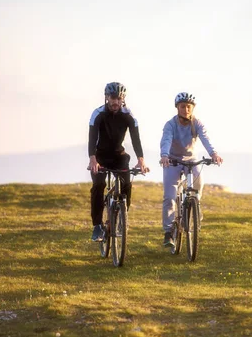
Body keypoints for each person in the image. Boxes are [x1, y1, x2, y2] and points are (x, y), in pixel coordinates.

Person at [160, 92, 223, 247]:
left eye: (189, 107)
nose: (186, 110)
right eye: (183, 106)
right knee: (169, 197)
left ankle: (195, 206)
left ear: (192, 109)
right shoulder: (170, 124)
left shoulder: (197, 124)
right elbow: (166, 140)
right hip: (173, 160)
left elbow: (205, 139)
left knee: (198, 185)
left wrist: (213, 154)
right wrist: (164, 155)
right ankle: (168, 232)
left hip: (192, 160)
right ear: (177, 108)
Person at [88, 82, 149, 241]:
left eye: (119, 98)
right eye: (113, 98)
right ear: (107, 98)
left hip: (119, 156)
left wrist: (140, 160)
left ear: (123, 99)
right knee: (98, 186)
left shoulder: (129, 115)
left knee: (127, 183)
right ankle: (97, 226)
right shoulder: (98, 114)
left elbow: (136, 139)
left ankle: (122, 217)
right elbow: (92, 138)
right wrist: (93, 159)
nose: (115, 101)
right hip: (100, 156)